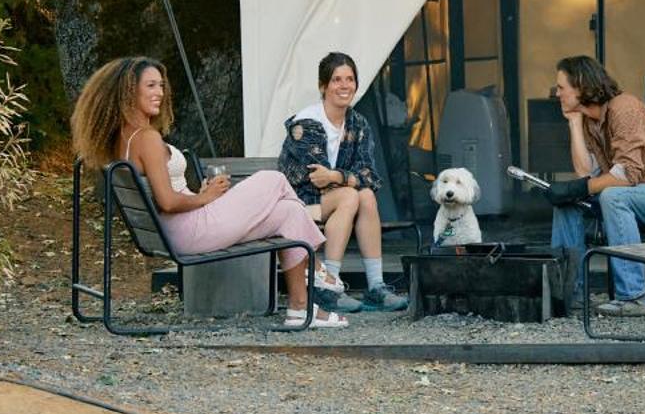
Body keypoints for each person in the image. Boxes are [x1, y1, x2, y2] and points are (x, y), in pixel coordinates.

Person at [70, 56, 345, 328]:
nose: (160, 93)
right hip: (188, 231)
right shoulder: (147, 139)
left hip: (179, 229)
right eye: (151, 86)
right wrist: (206, 197)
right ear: (129, 91)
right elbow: (166, 201)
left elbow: (164, 195)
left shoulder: (125, 139)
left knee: (288, 212)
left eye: (161, 86)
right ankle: (315, 267)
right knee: (273, 179)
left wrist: (197, 196)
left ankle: (299, 307)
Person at [545, 55, 645, 316]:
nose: (557, 94)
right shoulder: (588, 120)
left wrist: (581, 188)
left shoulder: (624, 108)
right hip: (634, 197)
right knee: (567, 203)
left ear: (581, 86)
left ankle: (634, 297)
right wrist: (574, 123)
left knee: (613, 196)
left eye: (561, 88)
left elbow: (627, 175)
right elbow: (586, 173)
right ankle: (571, 295)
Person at [277, 52, 410, 312]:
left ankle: (376, 287)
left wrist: (337, 176)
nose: (344, 85)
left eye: (350, 79)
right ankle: (329, 287)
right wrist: (347, 179)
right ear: (323, 86)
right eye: (337, 80)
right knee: (352, 195)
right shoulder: (307, 123)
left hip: (329, 200)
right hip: (297, 206)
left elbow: (370, 175)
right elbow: (315, 179)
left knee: (367, 196)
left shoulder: (357, 123)